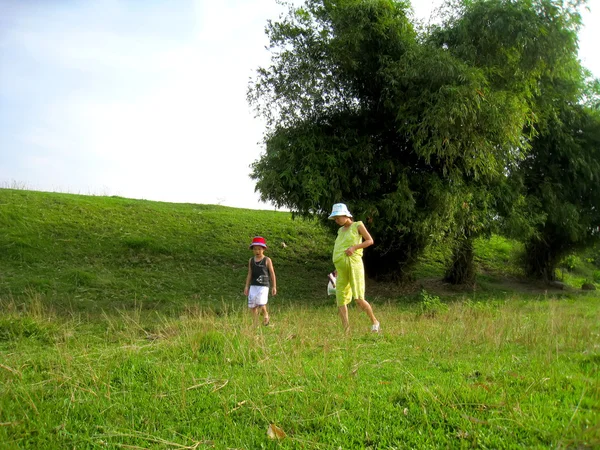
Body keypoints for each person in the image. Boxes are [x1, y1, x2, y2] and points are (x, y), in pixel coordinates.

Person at [329, 203, 380, 333]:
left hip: (354, 265)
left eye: (338, 217)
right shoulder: (340, 231)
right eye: (334, 218)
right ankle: (346, 329)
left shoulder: (357, 225)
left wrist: (354, 248)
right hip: (342, 268)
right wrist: (337, 267)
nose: (336, 220)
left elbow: (369, 240)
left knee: (358, 298)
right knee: (340, 298)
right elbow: (339, 248)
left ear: (346, 215)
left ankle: (374, 321)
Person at [244, 236, 277, 326]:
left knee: (261, 302)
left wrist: (274, 286)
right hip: (254, 285)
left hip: (263, 285)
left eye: (259, 249)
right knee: (253, 304)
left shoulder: (267, 260)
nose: (257, 251)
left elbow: (272, 273)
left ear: (263, 249)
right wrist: (247, 286)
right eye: (255, 249)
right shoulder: (251, 260)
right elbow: (249, 273)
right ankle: (255, 323)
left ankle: (266, 315)